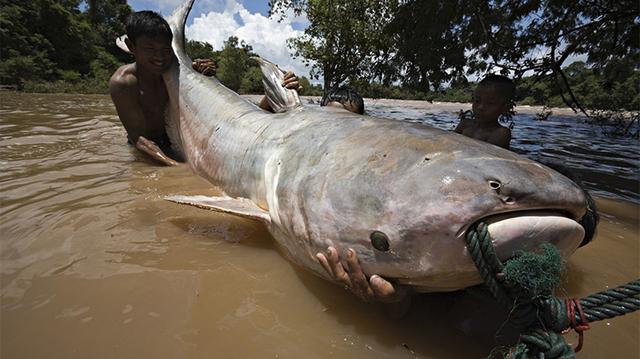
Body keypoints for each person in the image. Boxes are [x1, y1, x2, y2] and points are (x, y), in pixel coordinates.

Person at [109, 11, 181, 166]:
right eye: (150, 49)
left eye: (165, 50)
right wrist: (175, 167)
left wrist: (201, 68)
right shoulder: (123, 83)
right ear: (131, 46)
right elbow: (138, 138)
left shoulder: (174, 69)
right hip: (143, 146)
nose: (159, 57)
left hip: (172, 141)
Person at [454, 74, 514, 149]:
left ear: (505, 107)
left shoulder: (501, 133)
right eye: (477, 101)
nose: (480, 107)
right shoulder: (464, 124)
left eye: (490, 103)